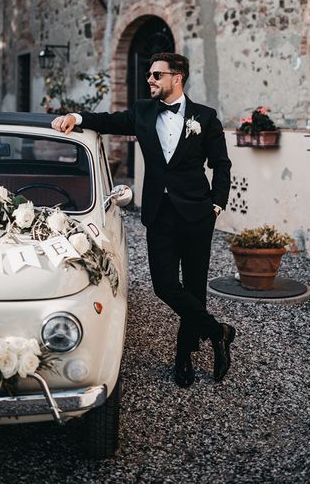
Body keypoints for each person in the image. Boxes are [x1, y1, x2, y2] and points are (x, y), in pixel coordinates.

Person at [51, 52, 234, 387]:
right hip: (159, 214)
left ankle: (184, 357)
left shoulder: (205, 118)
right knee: (165, 286)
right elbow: (107, 121)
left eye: (156, 75)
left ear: (177, 77)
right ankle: (218, 331)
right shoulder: (142, 111)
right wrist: (75, 117)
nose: (149, 80)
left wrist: (216, 207)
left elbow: (221, 165)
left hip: (197, 214)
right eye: (149, 74)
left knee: (194, 287)